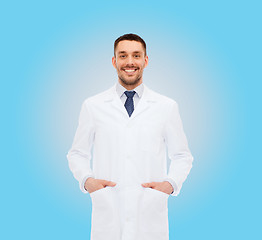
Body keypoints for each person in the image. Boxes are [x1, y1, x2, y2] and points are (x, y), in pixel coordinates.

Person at [67, 33, 193, 240]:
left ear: (145, 60)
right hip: (108, 214)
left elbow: (182, 156)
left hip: (150, 216)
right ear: (114, 61)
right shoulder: (93, 106)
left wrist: (169, 184)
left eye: (136, 55)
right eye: (123, 56)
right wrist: (87, 180)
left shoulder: (166, 107)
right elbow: (77, 153)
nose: (130, 62)